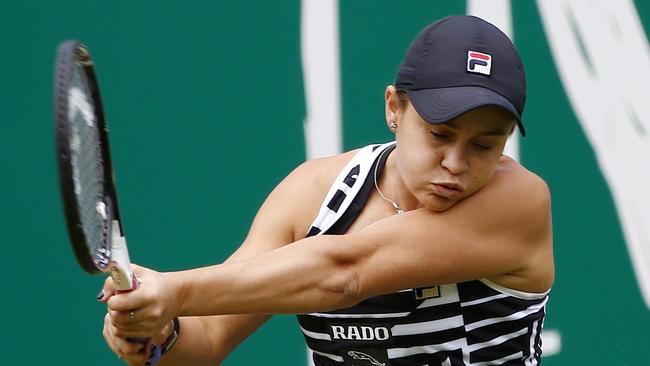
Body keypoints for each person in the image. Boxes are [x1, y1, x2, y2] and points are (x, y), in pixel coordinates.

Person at [100, 15, 554, 366]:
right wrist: (158, 334)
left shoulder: (519, 202)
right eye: (439, 134)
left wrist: (171, 292)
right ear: (394, 107)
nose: (456, 163)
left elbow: (343, 274)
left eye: (484, 144)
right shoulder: (312, 195)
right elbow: (209, 340)